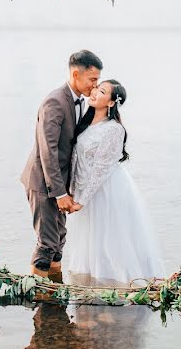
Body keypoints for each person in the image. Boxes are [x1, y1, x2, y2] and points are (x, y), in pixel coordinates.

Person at [62, 79, 165, 285]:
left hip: (105, 189)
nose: (93, 93)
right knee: (91, 241)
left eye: (101, 92)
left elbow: (101, 169)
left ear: (111, 103)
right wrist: (71, 190)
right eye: (95, 89)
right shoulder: (85, 121)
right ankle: (91, 285)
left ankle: (114, 284)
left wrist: (82, 199)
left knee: (110, 237)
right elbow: (76, 159)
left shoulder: (113, 129)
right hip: (84, 189)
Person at [20, 50, 102, 279]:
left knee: (60, 239)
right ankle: (40, 298)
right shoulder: (55, 102)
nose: (95, 86)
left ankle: (55, 294)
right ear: (76, 74)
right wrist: (58, 193)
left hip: (60, 184)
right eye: (92, 80)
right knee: (47, 243)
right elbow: (48, 151)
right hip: (43, 183)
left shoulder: (80, 103)